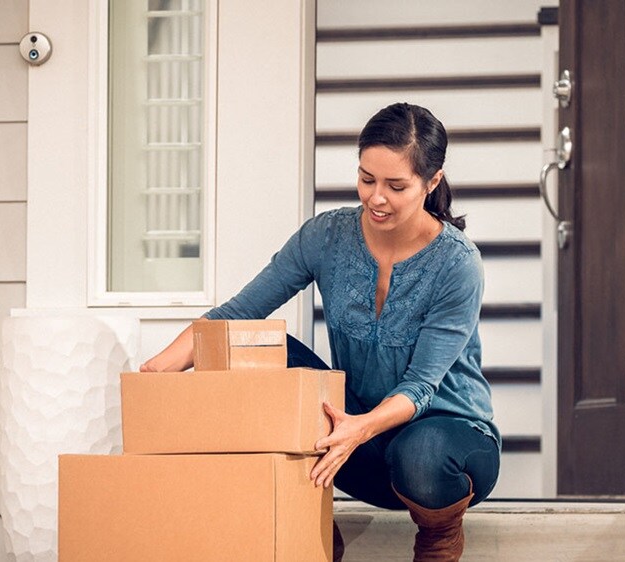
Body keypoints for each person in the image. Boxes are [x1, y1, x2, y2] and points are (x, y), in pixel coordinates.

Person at [141, 102, 500, 562]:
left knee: (422, 451)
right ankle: (305, 526)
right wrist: (159, 370)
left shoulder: (457, 263)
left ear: (431, 183)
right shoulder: (327, 237)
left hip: (447, 444)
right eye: (367, 179)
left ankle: (438, 538)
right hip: (355, 440)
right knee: (259, 352)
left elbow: (422, 387)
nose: (376, 198)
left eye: (396, 186)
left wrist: (357, 430)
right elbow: (238, 314)